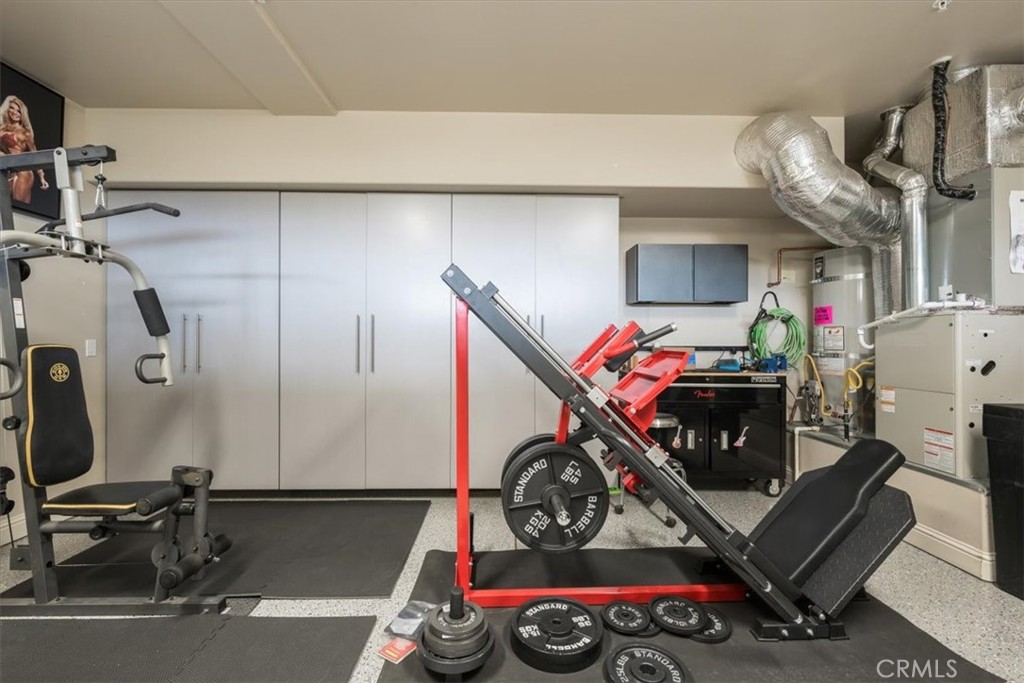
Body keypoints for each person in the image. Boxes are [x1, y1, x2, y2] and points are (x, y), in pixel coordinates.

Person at [0, 95, 49, 203]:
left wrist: (42, 178)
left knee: (18, 203)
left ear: (22, 114)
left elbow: (34, 154)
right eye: (12, 108)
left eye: (18, 111)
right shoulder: (1, 128)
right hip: (6, 171)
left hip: (22, 172)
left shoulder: (24, 133)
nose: (15, 112)